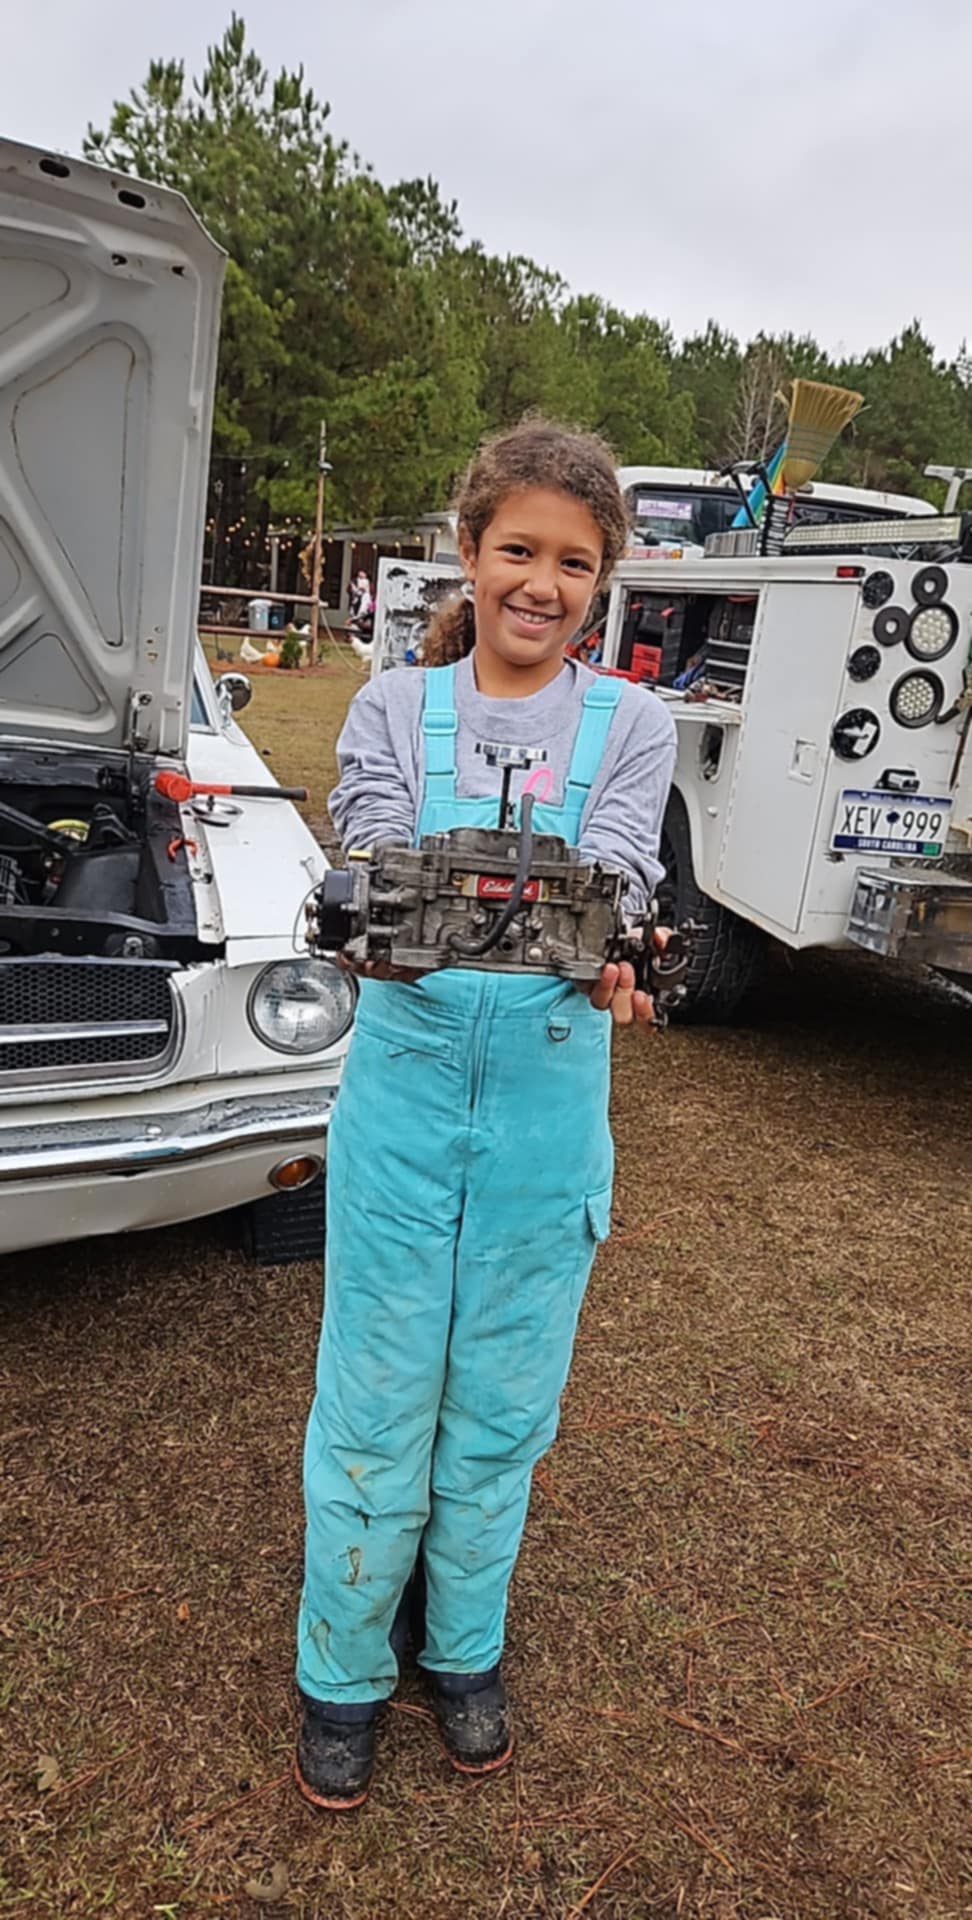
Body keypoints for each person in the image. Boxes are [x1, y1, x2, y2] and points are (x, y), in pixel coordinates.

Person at [296, 420, 677, 1811]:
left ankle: (458, 1650)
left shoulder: (636, 723)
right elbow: (372, 847)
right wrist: (382, 920)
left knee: (503, 1405)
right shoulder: (397, 705)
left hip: (545, 1114)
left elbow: (623, 874)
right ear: (468, 552)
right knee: (378, 1392)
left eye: (574, 563)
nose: (543, 583)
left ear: (603, 583)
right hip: (402, 1102)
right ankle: (342, 1663)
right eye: (518, 550)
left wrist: (620, 952)